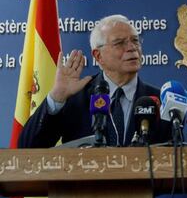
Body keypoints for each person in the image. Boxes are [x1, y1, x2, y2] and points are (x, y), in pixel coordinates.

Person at [18, 14, 169, 148]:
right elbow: (28, 147)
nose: (132, 48)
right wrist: (56, 98)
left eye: (135, 41)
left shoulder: (158, 100)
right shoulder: (76, 97)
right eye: (119, 43)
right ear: (98, 56)